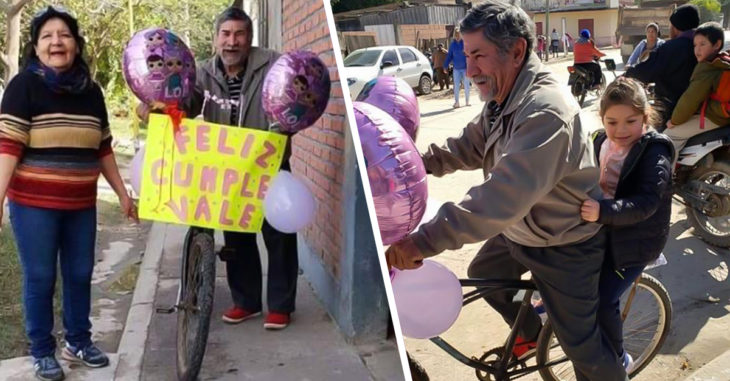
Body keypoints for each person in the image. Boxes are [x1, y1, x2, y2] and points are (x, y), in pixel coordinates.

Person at [385, 2, 627, 380]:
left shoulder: (544, 111)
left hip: (562, 242)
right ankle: (531, 335)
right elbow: (467, 146)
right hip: (522, 228)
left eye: (478, 55)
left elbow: (499, 198)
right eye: (466, 56)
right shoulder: (503, 98)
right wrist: (404, 165)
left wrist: (422, 241)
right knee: (485, 274)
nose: (469, 68)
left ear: (516, 51)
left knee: (584, 347)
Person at [138, 7, 298, 330]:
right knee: (237, 236)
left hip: (268, 163)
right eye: (225, 34)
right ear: (215, 39)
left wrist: (278, 134)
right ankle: (246, 301)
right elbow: (186, 104)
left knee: (279, 233)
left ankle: (280, 306)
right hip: (228, 168)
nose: (232, 41)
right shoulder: (202, 72)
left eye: (239, 34)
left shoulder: (273, 65)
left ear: (249, 39)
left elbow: (289, 104)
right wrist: (157, 107)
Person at [0, 6, 137, 381]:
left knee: (79, 273)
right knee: (41, 276)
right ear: (36, 47)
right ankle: (42, 349)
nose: (56, 42)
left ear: (76, 44)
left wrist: (123, 194)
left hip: (80, 204)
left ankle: (78, 341)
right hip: (34, 206)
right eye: (47, 36)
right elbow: (8, 146)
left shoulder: (90, 92)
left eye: (64, 35)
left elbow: (104, 148)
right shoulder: (23, 87)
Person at [581, 77, 673, 374]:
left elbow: (646, 203)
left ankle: (620, 359)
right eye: (612, 122)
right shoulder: (599, 141)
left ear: (645, 119)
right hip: (603, 228)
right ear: (602, 119)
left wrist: (603, 211)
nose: (620, 131)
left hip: (635, 243)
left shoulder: (655, 152)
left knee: (605, 297)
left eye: (630, 121)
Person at [626, 4, 700, 127]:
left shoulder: (670, 47)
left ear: (676, 27)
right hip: (697, 106)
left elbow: (647, 70)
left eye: (670, 25)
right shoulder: (702, 44)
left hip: (671, 107)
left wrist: (628, 74)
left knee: (652, 136)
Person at [665, 22, 730, 155]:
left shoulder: (708, 67)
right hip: (723, 114)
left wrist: (674, 120)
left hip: (714, 117)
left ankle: (665, 174)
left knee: (668, 137)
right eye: (695, 45)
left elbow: (690, 100)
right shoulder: (723, 61)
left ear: (717, 45)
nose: (697, 50)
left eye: (702, 44)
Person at [445, 29, 470, 108]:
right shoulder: (452, 45)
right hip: (456, 69)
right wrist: (445, 65)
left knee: (466, 85)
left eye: (458, 35)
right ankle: (457, 102)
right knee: (456, 85)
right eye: (456, 35)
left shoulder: (465, 43)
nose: (457, 37)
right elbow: (449, 56)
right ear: (454, 36)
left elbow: (470, 55)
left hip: (465, 68)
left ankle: (467, 101)